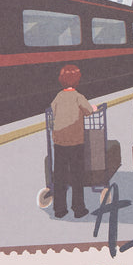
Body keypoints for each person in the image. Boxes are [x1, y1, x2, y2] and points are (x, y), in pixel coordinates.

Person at [49, 64, 97, 219]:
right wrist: (93, 108)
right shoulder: (78, 96)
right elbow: (88, 111)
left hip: (59, 142)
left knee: (60, 176)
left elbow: (53, 109)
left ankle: (59, 209)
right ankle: (78, 208)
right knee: (77, 175)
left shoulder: (58, 96)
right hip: (75, 142)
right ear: (77, 80)